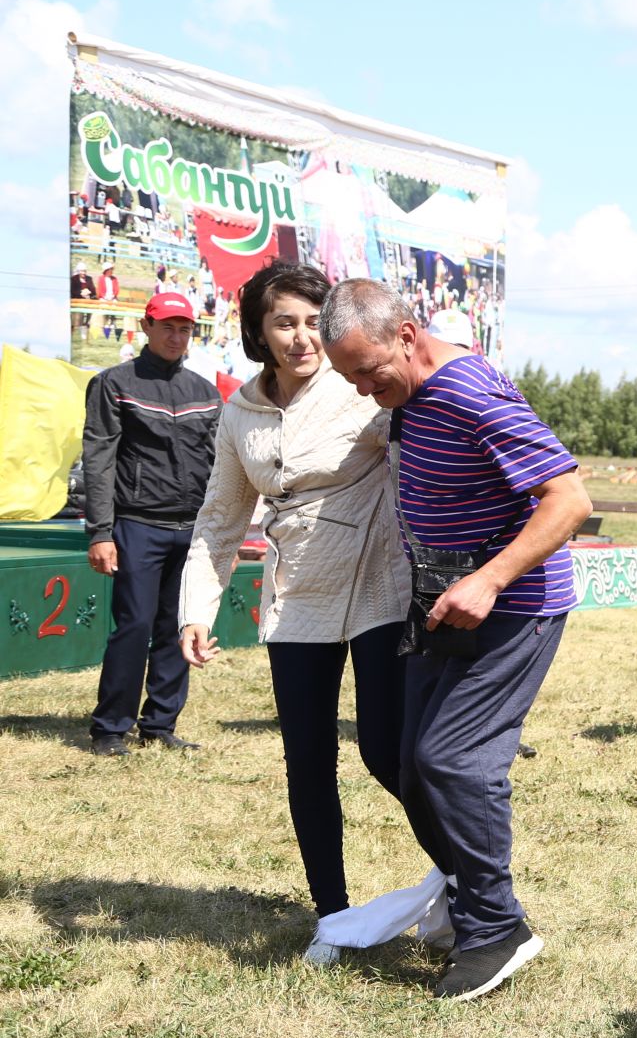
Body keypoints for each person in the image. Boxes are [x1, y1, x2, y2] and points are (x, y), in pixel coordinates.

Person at [320, 277, 592, 1000]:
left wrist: (492, 580)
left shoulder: (470, 393)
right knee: (409, 766)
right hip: (444, 608)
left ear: (406, 336)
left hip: (512, 607)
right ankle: (473, 903)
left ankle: (496, 929)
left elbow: (570, 499)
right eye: (348, 377)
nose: (361, 389)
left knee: (455, 760)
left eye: (368, 371)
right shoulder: (410, 393)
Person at [177, 262, 412, 965]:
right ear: (259, 330)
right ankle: (332, 916)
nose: (302, 336)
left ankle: (470, 885)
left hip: (378, 581)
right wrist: (198, 609)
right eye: (284, 321)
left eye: (314, 320)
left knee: (384, 749)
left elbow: (423, 453)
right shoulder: (240, 413)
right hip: (298, 598)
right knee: (306, 759)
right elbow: (219, 521)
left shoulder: (360, 387)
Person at [81, 291, 222, 756]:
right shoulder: (113, 382)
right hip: (137, 524)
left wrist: (223, 528)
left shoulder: (204, 390)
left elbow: (220, 462)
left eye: (184, 328)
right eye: (167, 326)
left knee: (179, 627)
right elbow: (98, 459)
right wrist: (100, 532)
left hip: (193, 527)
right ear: (145, 327)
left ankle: (160, 724)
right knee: (134, 626)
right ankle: (110, 728)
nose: (176, 336)